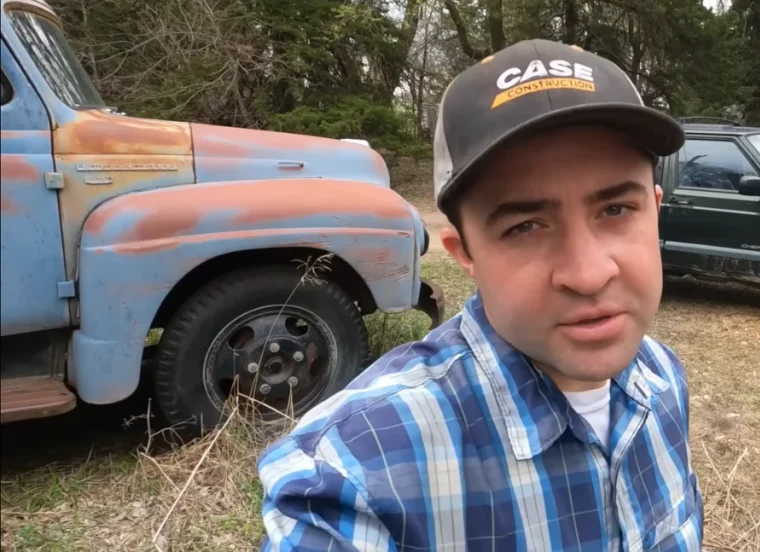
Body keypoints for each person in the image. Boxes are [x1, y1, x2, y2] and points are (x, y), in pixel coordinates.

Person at [257, 39, 703, 551]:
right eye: (526, 226)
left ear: (655, 208)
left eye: (617, 211)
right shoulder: (358, 470)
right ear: (463, 251)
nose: (588, 274)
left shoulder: (663, 379)